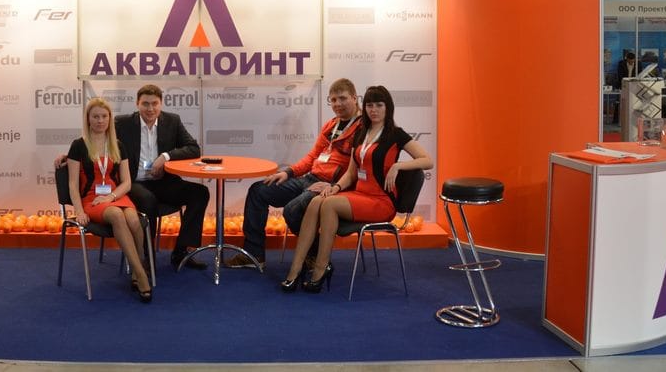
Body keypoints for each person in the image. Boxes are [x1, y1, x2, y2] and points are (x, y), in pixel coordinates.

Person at [280, 85, 433, 293]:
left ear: (388, 107)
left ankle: (320, 269)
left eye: (379, 105)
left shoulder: (395, 134)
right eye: (369, 105)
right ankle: (295, 270)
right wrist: (336, 187)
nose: (374, 110)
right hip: (359, 194)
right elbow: (352, 173)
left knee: (329, 205)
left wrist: (398, 166)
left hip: (380, 201)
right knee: (316, 201)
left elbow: (427, 160)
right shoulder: (361, 133)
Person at [224, 78, 363, 269]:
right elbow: (313, 156)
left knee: (292, 210)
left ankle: (316, 256)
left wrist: (335, 186)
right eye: (333, 100)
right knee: (258, 190)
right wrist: (288, 173)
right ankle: (254, 256)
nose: (337, 104)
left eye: (342, 98)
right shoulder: (331, 125)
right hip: (310, 179)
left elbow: (359, 169)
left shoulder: (363, 128)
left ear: (354, 98)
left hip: (334, 187)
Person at [115, 84, 210, 270]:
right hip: (134, 182)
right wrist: (70, 156)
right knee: (148, 201)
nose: (150, 109)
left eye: (154, 104)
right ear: (137, 104)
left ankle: (181, 252)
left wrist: (166, 156)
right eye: (145, 104)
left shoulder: (172, 121)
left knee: (200, 193)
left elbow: (193, 148)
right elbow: (97, 141)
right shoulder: (122, 123)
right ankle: (146, 258)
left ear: (161, 104)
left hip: (163, 182)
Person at [66, 97, 152, 302]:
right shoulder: (78, 145)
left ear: (110, 119)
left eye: (104, 116)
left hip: (116, 196)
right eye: (95, 116)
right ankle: (141, 274)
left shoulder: (117, 145)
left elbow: (127, 182)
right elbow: (72, 184)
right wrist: (79, 211)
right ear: (88, 119)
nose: (100, 121)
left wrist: (112, 196)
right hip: (92, 200)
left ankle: (137, 267)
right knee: (116, 214)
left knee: (133, 219)